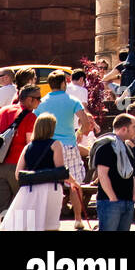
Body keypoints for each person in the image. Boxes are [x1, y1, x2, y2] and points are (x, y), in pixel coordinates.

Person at [0, 111, 68, 232]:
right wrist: (73, 183)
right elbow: (60, 170)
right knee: (51, 226)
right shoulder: (55, 144)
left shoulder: (28, 147)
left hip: (30, 189)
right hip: (51, 188)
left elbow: (17, 174)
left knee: (30, 225)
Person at [42, 70, 91, 230]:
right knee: (75, 184)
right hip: (69, 145)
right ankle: (78, 219)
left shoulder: (42, 102)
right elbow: (85, 123)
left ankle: (51, 220)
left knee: (51, 184)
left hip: (49, 146)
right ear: (63, 83)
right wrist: (79, 133)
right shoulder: (72, 100)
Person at [0, 84, 43, 219]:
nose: (40, 101)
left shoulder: (2, 111)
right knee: (21, 211)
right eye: (38, 98)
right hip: (18, 168)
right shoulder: (30, 117)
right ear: (29, 99)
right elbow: (30, 145)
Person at [95, 114, 135, 232]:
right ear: (124, 129)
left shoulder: (127, 148)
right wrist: (112, 197)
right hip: (110, 202)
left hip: (127, 200)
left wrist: (133, 195)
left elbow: (131, 173)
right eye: (134, 127)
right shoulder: (106, 147)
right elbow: (102, 174)